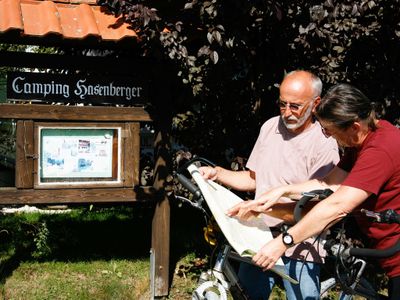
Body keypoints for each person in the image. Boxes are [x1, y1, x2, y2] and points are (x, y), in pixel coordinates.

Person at [227, 83, 400, 299]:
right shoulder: (363, 140)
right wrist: (281, 191)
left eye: (330, 130)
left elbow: (337, 206)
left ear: (354, 127)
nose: (327, 135)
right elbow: (329, 183)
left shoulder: (379, 151)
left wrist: (284, 242)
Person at [200, 70, 339, 299]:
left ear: (316, 104)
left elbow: (317, 210)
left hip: (300, 243)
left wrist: (265, 210)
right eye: (282, 104)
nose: (287, 112)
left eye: (295, 106)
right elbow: (254, 179)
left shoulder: (325, 143)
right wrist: (217, 173)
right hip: (258, 236)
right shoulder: (270, 127)